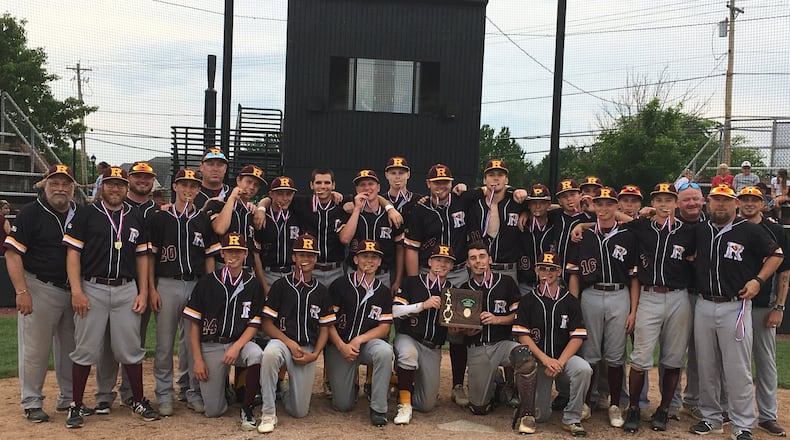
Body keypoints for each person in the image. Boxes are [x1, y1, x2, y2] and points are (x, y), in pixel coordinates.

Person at [62, 165, 159, 428]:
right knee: (85, 348)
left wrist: (141, 291)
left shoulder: (134, 215)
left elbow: (142, 256)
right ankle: (76, 404)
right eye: (110, 184)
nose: (115, 189)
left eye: (119, 184)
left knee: (130, 347)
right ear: (101, 187)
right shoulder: (85, 214)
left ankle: (137, 399)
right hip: (92, 286)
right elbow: (73, 254)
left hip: (127, 288)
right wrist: (77, 290)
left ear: (126, 188)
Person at [689, 184, 783, 440]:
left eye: (726, 201)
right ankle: (711, 418)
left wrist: (759, 281)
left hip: (735, 306)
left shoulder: (750, 231)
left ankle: (742, 424)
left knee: (737, 368)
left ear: (735, 204)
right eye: (716, 200)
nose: (721, 205)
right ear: (709, 204)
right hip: (704, 303)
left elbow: (776, 255)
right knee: (706, 365)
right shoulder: (701, 230)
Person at [5, 165, 78, 423]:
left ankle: (69, 398)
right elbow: (12, 254)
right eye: (55, 182)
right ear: (44, 184)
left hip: (74, 291)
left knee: (72, 349)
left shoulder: (79, 212)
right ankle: (32, 401)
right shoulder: (31, 212)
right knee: (36, 349)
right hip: (40, 287)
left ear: (73, 187)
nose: (60, 188)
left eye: (66, 183)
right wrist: (21, 291)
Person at [621, 183, 696, 433]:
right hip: (649, 295)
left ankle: (663, 409)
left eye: (668, 199)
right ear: (652, 203)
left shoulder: (689, 232)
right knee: (640, 357)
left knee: (673, 357)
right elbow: (612, 218)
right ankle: (633, 408)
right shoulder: (643, 226)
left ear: (676, 203)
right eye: (659, 200)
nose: (664, 204)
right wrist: (582, 226)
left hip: (678, 297)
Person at [403, 164, 479, 407]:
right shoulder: (420, 210)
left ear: (452, 182)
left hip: (457, 273)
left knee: (458, 330)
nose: (441, 186)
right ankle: (407, 379)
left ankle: (457, 385)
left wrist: (512, 191)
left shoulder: (462, 200)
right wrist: (415, 281)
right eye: (436, 182)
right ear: (428, 184)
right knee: (423, 322)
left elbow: (492, 190)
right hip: (428, 271)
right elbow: (412, 248)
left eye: (445, 181)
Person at [147, 168, 221, 416]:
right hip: (167, 283)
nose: (188, 190)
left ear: (199, 190)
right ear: (175, 187)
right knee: (165, 344)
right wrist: (151, 289)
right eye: (184, 185)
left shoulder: (202, 220)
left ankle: (191, 391)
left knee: (193, 343)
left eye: (193, 186)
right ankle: (164, 393)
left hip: (196, 284)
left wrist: (210, 287)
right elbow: (149, 257)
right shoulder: (160, 218)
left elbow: (210, 257)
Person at [566, 186, 638, 429]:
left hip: (620, 293)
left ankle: (615, 404)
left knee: (616, 354)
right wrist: (574, 304)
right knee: (591, 352)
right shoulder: (582, 235)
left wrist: (634, 310)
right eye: (600, 204)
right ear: (593, 206)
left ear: (616, 206)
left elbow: (634, 276)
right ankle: (587, 402)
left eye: (609, 203)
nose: (604, 208)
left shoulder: (627, 234)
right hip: (591, 294)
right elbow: (574, 272)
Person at [94, 160, 160, 413]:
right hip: (119, 282)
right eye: (138, 177)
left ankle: (132, 393)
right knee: (108, 342)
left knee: (134, 342)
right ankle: (104, 394)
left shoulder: (158, 209)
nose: (143, 181)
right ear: (129, 180)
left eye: (147, 177)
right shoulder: (116, 206)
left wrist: (149, 289)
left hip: (145, 284)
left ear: (153, 180)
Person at [182, 232, 265, 427]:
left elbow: (254, 323)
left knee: (256, 354)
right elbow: (194, 324)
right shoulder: (207, 282)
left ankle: (247, 408)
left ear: (245, 254)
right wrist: (198, 360)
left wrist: (237, 346)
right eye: (229, 251)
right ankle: (224, 388)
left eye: (238, 251)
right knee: (213, 411)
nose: (233, 256)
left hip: (240, 344)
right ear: (222, 254)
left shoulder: (253, 284)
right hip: (212, 345)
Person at [258, 233, 334, 433]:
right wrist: (288, 342)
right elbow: (266, 324)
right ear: (293, 257)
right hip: (282, 342)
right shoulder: (280, 285)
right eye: (301, 255)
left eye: (310, 255)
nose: (305, 259)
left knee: (299, 411)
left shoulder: (321, 291)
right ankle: (268, 412)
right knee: (270, 354)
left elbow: (325, 328)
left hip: (306, 349)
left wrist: (315, 354)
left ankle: (284, 391)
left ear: (316, 259)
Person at [511, 251, 591, 436]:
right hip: (539, 363)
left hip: (562, 361)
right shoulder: (528, 300)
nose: (547, 272)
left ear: (559, 271)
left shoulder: (570, 300)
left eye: (552, 269)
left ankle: (572, 418)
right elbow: (523, 336)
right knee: (541, 416)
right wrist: (546, 360)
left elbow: (577, 337)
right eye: (543, 268)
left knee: (584, 369)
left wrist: (559, 363)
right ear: (536, 270)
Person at [734, 186, 788, 436]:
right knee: (734, 362)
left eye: (753, 199)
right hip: (733, 305)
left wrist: (779, 306)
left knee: (765, 363)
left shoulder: (775, 230)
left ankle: (768, 415)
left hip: (763, 306)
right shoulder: (729, 227)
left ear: (762, 202)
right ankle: (729, 409)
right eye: (744, 199)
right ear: (738, 202)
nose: (748, 203)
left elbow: (784, 271)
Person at [326, 240, 394, 427]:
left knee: (385, 351)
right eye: (365, 256)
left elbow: (384, 327)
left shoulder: (383, 292)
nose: (369, 260)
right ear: (355, 259)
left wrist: (359, 339)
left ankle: (378, 408)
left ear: (380, 262)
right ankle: (352, 384)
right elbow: (328, 323)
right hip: (340, 346)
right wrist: (342, 346)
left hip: (366, 345)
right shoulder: (339, 285)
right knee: (343, 405)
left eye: (374, 257)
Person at [392, 243, 455, 425]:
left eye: (447, 261)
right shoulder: (412, 282)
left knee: (426, 404)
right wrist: (422, 305)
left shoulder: (453, 290)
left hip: (433, 347)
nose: (441, 264)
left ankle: (399, 380)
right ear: (429, 261)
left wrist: (456, 328)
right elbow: (395, 311)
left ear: (452, 266)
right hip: (409, 337)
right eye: (437, 260)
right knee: (408, 355)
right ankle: (404, 404)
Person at [457, 241, 520, 415]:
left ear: (490, 259)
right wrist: (465, 329)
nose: (478, 261)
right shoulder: (464, 289)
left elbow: (518, 316)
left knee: (525, 356)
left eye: (482, 256)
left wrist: (497, 319)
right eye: (473, 258)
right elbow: (459, 325)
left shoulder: (506, 282)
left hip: (503, 344)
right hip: (478, 347)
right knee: (479, 408)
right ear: (468, 263)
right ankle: (496, 384)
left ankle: (526, 408)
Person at [339, 170, 403, 290]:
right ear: (357, 189)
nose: (367, 188)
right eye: (362, 185)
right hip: (355, 273)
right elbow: (345, 239)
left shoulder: (391, 215)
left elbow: (400, 249)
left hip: (383, 275)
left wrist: (398, 279)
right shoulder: (350, 211)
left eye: (370, 184)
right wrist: (357, 208)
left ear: (378, 187)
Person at [203, 164, 266, 282]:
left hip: (248, 270)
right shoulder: (217, 204)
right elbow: (220, 228)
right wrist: (232, 198)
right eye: (249, 182)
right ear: (238, 180)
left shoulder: (252, 213)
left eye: (256, 185)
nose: (252, 187)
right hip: (223, 269)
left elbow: (255, 251)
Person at [468, 159, 525, 283]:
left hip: (508, 270)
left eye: (500, 175)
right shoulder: (474, 205)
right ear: (484, 180)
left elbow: (543, 208)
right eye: (491, 175)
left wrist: (526, 212)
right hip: (479, 269)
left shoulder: (517, 203)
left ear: (506, 180)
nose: (496, 179)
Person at [256, 176, 303, 288]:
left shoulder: (297, 214)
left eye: (289, 194)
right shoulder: (261, 217)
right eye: (280, 193)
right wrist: (263, 285)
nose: (285, 198)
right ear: (271, 194)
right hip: (268, 273)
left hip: (291, 273)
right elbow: (255, 253)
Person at [517, 184, 555, 296]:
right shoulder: (522, 224)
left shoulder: (556, 222)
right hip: (525, 285)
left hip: (551, 284)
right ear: (528, 205)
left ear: (549, 204)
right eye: (534, 202)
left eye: (542, 202)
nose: (538, 206)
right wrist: (524, 213)